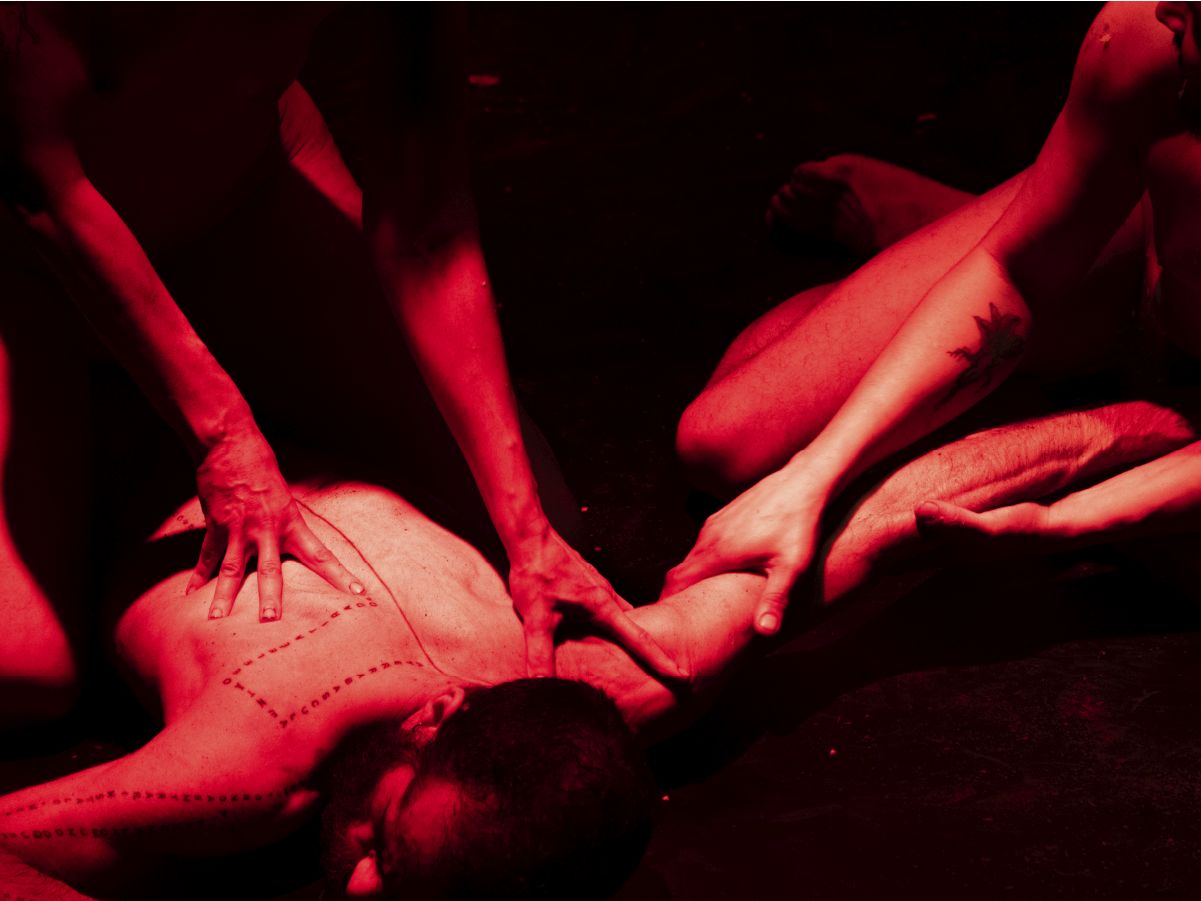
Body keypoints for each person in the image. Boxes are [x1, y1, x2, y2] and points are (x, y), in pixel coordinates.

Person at [3, 383, 1199, 898]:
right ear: (439, 720)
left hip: (298, 418)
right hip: (107, 434)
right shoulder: (240, 776)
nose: (358, 884)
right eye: (386, 844)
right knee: (29, 670)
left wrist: (1132, 438)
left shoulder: (596, 689)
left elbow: (889, 527)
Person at [0, 3, 679, 721]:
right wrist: (223, 437)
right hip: (21, 255)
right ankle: (116, 429)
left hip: (240, 197)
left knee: (540, 536)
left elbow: (425, 217)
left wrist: (528, 534)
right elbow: (40, 189)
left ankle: (130, 424)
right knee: (23, 671)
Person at [668, 2, 1201, 633]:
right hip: (1149, 256)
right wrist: (813, 473)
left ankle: (979, 223)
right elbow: (1018, 277)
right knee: (722, 442)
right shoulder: (1152, 34)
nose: (1171, 10)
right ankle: (1064, 204)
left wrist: (1066, 518)